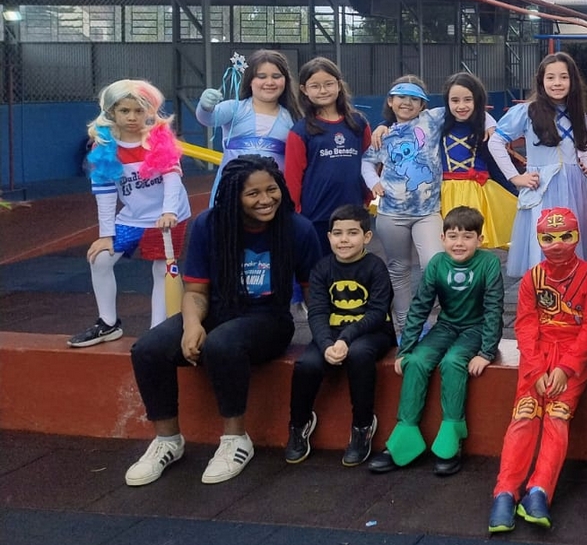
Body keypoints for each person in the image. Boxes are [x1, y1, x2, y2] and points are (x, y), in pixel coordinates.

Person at [124, 155, 321, 486]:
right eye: (253, 193)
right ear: (233, 196)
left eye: (272, 189)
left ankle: (235, 440)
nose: (266, 199)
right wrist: (191, 325)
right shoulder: (209, 225)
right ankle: (168, 440)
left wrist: (324, 338)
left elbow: (314, 289)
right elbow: (196, 291)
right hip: (216, 312)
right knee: (148, 348)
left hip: (268, 319)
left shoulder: (296, 228)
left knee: (222, 344)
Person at [489, 208, 587, 533]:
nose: (557, 244)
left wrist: (566, 368)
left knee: (557, 416)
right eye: (548, 238)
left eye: (565, 236)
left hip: (572, 359)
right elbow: (525, 326)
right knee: (524, 414)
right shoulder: (532, 278)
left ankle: (540, 490)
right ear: (538, 239)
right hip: (536, 358)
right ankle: (505, 492)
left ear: (577, 236)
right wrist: (537, 369)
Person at [368, 206, 505, 476]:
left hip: (476, 329)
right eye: (453, 236)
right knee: (417, 361)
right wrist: (405, 349)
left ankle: (452, 437)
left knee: (453, 362)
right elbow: (420, 306)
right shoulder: (437, 264)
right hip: (446, 326)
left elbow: (493, 309)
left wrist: (486, 352)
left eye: (467, 236)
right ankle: (406, 436)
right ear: (442, 239)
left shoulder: (488, 264)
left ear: (479, 239)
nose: (459, 243)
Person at [72, 79, 191, 347]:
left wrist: (169, 211)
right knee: (100, 260)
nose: (132, 117)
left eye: (139, 111)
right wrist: (106, 234)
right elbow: (105, 192)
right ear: (112, 112)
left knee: (161, 268)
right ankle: (108, 323)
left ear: (149, 111)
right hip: (132, 217)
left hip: (168, 215)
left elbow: (172, 179)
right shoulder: (104, 146)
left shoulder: (158, 140)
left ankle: (157, 331)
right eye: (124, 110)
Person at [285, 205, 395, 468]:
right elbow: (317, 312)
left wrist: (345, 339)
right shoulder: (322, 268)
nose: (344, 239)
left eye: (352, 233)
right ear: (329, 237)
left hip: (372, 332)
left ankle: (362, 425)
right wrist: (325, 345)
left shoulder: (375, 267)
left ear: (367, 237)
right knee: (307, 364)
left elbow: (377, 312)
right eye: (338, 233)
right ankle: (299, 424)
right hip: (332, 334)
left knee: (359, 354)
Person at [489, 51, 587, 276]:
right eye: (551, 77)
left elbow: (583, 146)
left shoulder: (577, 113)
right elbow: (495, 141)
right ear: (541, 81)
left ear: (572, 80)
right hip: (543, 188)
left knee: (573, 239)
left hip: (576, 188)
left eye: (563, 77)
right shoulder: (527, 111)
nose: (557, 83)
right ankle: (542, 292)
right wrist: (515, 177)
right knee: (543, 241)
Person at [362, 76, 445, 332]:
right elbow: (366, 162)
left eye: (414, 99)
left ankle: (431, 318)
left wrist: (490, 125)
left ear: (423, 105)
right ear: (390, 101)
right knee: (398, 269)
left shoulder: (432, 120)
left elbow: (465, 107)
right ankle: (406, 326)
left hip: (427, 212)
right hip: (391, 213)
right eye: (401, 97)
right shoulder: (384, 134)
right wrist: (374, 182)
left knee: (434, 264)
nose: (407, 102)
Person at [283, 58, 373, 257]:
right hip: (316, 216)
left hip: (353, 213)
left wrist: (368, 197)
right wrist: (294, 214)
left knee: (351, 265)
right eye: (315, 86)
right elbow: (293, 177)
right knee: (319, 268)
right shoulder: (300, 131)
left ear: (339, 85)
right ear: (304, 90)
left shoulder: (358, 123)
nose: (323, 90)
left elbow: (370, 162)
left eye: (328, 84)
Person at [196, 50, 298, 203]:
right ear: (250, 80)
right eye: (261, 76)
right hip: (231, 194)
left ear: (285, 80)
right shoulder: (234, 108)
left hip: (272, 197)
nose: (269, 82)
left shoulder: (292, 118)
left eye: (276, 76)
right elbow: (208, 118)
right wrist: (205, 106)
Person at [438, 72, 518, 252]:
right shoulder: (438, 125)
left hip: (478, 194)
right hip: (447, 193)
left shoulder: (485, 130)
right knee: (450, 245)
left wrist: (516, 195)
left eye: (468, 99)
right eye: (455, 100)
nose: (461, 105)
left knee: (475, 242)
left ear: (477, 100)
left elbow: (495, 167)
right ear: (447, 101)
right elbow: (407, 119)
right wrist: (385, 124)